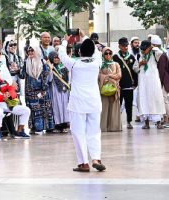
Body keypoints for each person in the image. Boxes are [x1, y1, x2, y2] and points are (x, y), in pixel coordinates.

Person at [57, 30, 106, 172]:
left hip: (78, 102)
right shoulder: (96, 62)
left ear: (79, 53)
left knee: (78, 131)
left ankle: (84, 163)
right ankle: (96, 158)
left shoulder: (74, 64)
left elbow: (62, 55)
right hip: (94, 101)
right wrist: (84, 36)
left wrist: (66, 40)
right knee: (94, 131)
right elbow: (96, 51)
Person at [0, 63, 31, 141]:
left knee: (26, 110)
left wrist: (9, 95)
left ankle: (20, 131)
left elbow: (12, 90)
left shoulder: (3, 82)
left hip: (7, 104)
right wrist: (2, 97)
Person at [21, 46, 54, 135]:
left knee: (41, 110)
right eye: (29, 51)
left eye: (32, 50)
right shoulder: (26, 62)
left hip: (41, 91)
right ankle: (33, 128)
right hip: (30, 92)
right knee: (32, 110)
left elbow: (45, 76)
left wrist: (44, 89)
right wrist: (18, 68)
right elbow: (22, 75)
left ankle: (40, 128)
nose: (30, 52)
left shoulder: (42, 63)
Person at [133, 40, 165, 129]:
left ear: (149, 47)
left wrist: (152, 47)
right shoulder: (140, 55)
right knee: (144, 101)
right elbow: (135, 68)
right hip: (143, 82)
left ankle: (158, 122)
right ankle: (146, 123)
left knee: (155, 100)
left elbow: (161, 52)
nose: (143, 50)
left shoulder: (155, 54)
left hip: (153, 81)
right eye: (142, 49)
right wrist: (140, 63)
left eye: (145, 49)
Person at [113, 37, 138, 129]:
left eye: (126, 45)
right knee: (117, 105)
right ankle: (116, 121)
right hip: (119, 85)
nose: (125, 47)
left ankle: (129, 121)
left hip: (129, 85)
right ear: (119, 46)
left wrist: (135, 83)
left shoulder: (131, 57)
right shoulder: (115, 57)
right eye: (123, 45)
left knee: (129, 105)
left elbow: (134, 71)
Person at [150, 36, 169, 128]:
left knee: (164, 99)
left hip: (164, 80)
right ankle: (165, 118)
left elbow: (161, 70)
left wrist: (158, 82)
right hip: (163, 80)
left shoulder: (161, 55)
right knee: (161, 99)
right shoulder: (161, 53)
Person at [99, 47, 122, 132]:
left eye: (110, 53)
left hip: (113, 89)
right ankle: (103, 127)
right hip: (104, 88)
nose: (108, 55)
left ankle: (114, 127)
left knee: (114, 108)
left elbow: (119, 75)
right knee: (104, 108)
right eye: (106, 53)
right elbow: (98, 75)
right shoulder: (100, 64)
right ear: (103, 54)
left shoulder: (116, 64)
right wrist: (105, 77)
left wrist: (110, 76)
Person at [47, 51, 70, 133]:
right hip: (55, 90)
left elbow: (68, 77)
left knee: (64, 107)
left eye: (58, 57)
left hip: (64, 90)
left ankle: (65, 124)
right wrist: (50, 69)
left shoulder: (63, 66)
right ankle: (58, 125)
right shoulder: (50, 66)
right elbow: (49, 79)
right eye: (54, 57)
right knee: (57, 107)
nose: (56, 59)